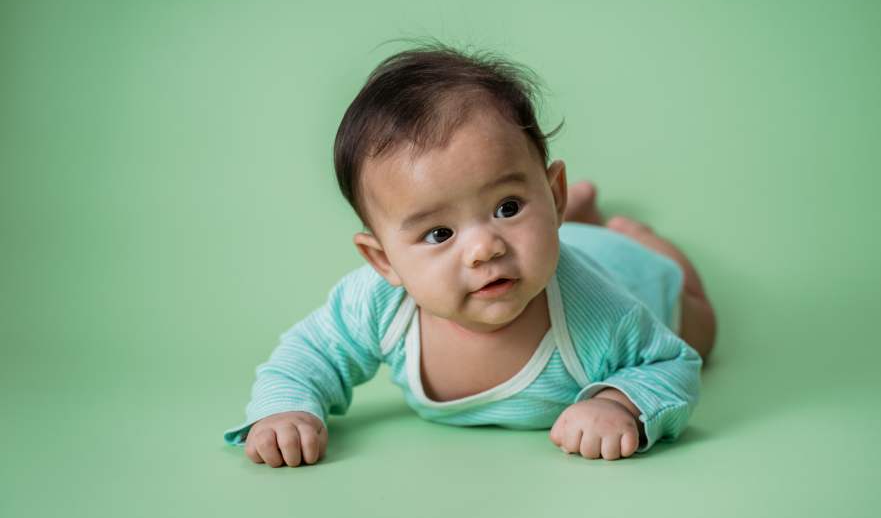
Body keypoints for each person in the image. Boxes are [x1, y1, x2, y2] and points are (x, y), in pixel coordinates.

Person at [223, 41, 717, 465]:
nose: (483, 248)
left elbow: (672, 363)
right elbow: (310, 354)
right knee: (555, 238)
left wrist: (618, 404)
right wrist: (285, 410)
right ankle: (576, 217)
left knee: (702, 325)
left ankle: (640, 236)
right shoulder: (378, 304)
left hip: (630, 270)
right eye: (439, 233)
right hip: (560, 236)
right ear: (384, 263)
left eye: (507, 206)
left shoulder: (599, 311)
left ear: (552, 193)